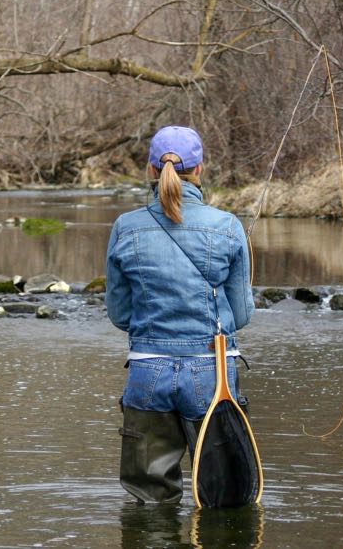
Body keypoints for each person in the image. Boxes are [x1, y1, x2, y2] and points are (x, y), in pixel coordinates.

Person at [105, 125, 255, 504]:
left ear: (151, 170)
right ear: (200, 169)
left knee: (149, 504)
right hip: (213, 372)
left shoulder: (125, 227)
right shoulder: (228, 226)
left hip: (146, 371)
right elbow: (239, 315)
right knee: (226, 500)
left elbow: (120, 313)